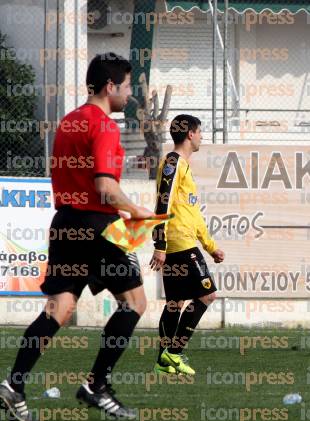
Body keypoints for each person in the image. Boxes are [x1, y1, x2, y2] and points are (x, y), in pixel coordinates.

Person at [0, 53, 154, 420]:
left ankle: (13, 385)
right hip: (97, 225)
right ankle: (96, 386)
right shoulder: (103, 125)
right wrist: (137, 211)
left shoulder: (69, 122)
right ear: (110, 86)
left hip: (66, 223)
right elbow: (105, 187)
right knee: (134, 304)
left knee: (59, 309)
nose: (130, 95)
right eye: (128, 86)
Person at [150, 115, 225, 376]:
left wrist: (210, 245)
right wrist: (160, 243)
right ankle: (175, 352)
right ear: (190, 134)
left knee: (174, 303)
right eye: (200, 131)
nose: (202, 136)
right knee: (207, 295)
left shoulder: (183, 165)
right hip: (178, 243)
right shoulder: (173, 162)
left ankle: (162, 360)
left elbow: (192, 213)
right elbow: (163, 202)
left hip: (181, 242)